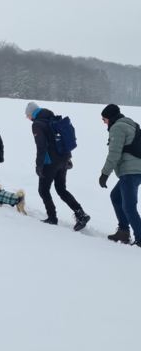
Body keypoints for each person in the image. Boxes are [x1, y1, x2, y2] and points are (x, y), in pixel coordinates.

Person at [25, 101, 90, 230]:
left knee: (43, 190)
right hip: (63, 159)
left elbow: (41, 146)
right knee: (61, 189)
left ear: (31, 114)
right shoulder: (53, 119)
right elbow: (63, 139)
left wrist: (39, 164)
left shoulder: (37, 124)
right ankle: (81, 214)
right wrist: (68, 158)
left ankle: (52, 217)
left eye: (27, 116)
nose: (27, 118)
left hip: (50, 162)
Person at [99, 103, 141, 246]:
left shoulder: (117, 127)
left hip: (130, 172)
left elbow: (114, 154)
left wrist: (104, 174)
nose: (104, 122)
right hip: (135, 171)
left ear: (110, 117)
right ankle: (123, 231)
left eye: (104, 119)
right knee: (116, 197)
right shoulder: (131, 125)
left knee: (129, 207)